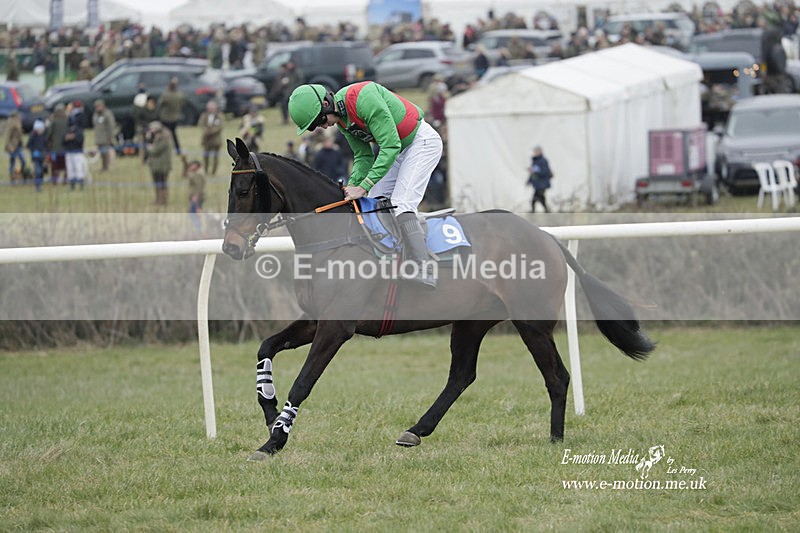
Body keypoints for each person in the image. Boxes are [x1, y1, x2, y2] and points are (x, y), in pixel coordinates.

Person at [288, 82, 442, 289]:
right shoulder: (342, 120)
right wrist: (351, 188)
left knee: (401, 204)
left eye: (318, 121)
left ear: (326, 103)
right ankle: (389, 261)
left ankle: (425, 268)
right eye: (314, 127)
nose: (322, 127)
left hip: (420, 143)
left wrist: (364, 185)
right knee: (373, 204)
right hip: (396, 152)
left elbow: (390, 145)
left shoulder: (363, 99)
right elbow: (363, 156)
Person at [144, 121, 172, 207]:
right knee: (157, 183)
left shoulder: (164, 137)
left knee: (162, 183)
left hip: (162, 165)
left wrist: (149, 147)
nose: (150, 130)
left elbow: (155, 150)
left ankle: (163, 201)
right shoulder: (156, 136)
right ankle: (158, 200)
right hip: (155, 164)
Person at [157, 77, 185, 154]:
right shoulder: (179, 94)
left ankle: (162, 149)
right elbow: (183, 103)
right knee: (174, 134)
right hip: (175, 118)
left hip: (165, 118)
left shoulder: (166, 94)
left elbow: (160, 103)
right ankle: (178, 149)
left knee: (163, 135)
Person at [63, 101, 87, 190]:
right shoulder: (67, 126)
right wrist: (66, 138)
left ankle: (81, 184)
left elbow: (80, 138)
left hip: (77, 151)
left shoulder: (79, 127)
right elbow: (63, 138)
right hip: (69, 150)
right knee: (70, 168)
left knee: (78, 167)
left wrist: (74, 137)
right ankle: (72, 185)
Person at [197, 100, 224, 175]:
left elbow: (220, 126)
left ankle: (213, 172)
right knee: (206, 156)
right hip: (206, 140)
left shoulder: (219, 115)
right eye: (209, 108)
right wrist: (206, 131)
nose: (210, 109)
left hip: (216, 140)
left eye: (212, 108)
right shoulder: (204, 115)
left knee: (215, 157)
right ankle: (205, 171)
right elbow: (201, 124)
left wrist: (211, 132)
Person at [182, 156, 206, 232]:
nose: (191, 166)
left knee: (193, 213)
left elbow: (198, 187)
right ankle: (198, 229)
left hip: (196, 198)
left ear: (196, 166)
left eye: (192, 165)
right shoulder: (196, 174)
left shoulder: (198, 175)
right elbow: (185, 175)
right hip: (196, 197)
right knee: (195, 214)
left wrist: (195, 197)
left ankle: (198, 229)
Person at [92, 99, 116, 172]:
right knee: (102, 153)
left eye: (99, 106)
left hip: (106, 137)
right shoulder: (95, 115)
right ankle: (103, 166)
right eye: (96, 106)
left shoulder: (107, 114)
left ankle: (106, 166)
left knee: (105, 153)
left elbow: (111, 126)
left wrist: (110, 137)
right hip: (99, 137)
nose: (98, 108)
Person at [527, 145, 553, 213]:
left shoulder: (543, 161)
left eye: (536, 151)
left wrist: (535, 171)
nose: (535, 153)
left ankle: (533, 211)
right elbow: (533, 174)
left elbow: (545, 172)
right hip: (537, 184)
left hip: (542, 183)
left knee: (535, 198)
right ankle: (546, 210)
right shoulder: (535, 161)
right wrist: (529, 180)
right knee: (541, 198)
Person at [47, 103, 68, 184]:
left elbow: (49, 133)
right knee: (65, 165)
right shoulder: (67, 120)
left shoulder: (53, 121)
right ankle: (65, 179)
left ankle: (55, 180)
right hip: (65, 147)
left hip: (55, 147)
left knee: (55, 165)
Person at [5, 110, 26, 184]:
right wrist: (10, 147)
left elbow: (20, 135)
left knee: (23, 161)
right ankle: (12, 178)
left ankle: (21, 174)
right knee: (12, 162)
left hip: (19, 146)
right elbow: (7, 137)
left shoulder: (19, 122)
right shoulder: (10, 123)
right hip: (13, 147)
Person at [27, 120, 48, 192]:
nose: (41, 130)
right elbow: (28, 145)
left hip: (42, 157)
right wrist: (33, 151)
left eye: (42, 129)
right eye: (39, 129)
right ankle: (37, 186)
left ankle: (40, 183)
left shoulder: (44, 136)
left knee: (42, 171)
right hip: (36, 158)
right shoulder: (32, 136)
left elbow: (46, 145)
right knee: (38, 171)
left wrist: (47, 152)